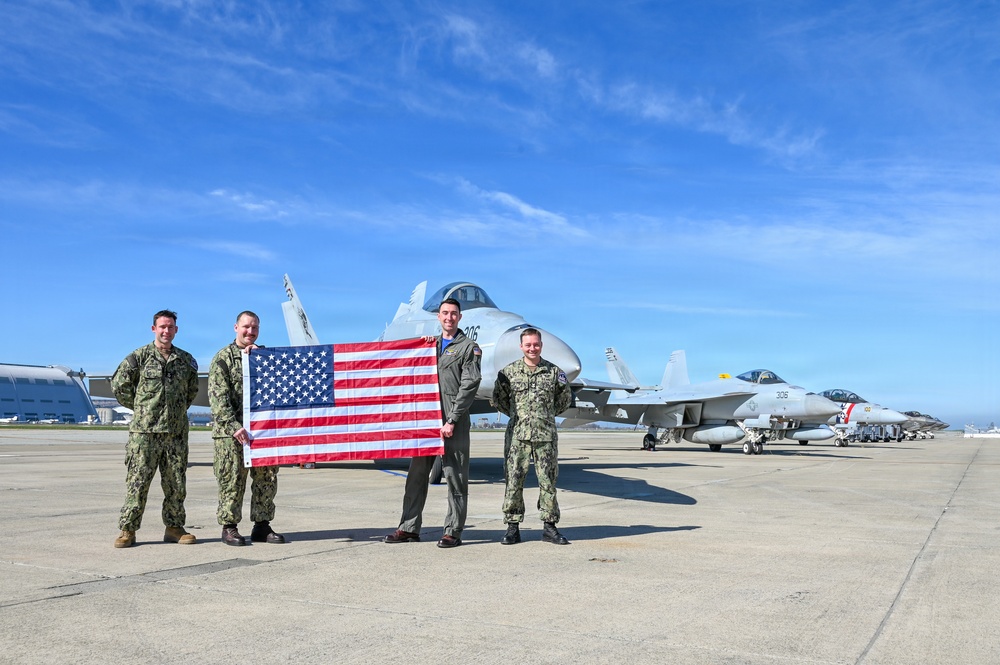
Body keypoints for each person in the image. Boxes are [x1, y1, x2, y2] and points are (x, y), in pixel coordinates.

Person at [384, 297, 482, 548]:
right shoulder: (429, 345)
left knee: (455, 477)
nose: (449, 317)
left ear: (460, 318)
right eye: (445, 313)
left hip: (453, 420)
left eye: (454, 314)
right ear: (438, 317)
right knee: (416, 475)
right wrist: (422, 347)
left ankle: (453, 531)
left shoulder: (469, 347)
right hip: (427, 420)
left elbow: (469, 385)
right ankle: (408, 527)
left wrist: (452, 419)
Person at [112, 310, 200, 548]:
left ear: (176, 330)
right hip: (144, 434)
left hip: (175, 433)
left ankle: (174, 528)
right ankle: (128, 530)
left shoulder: (185, 360)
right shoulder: (138, 358)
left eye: (170, 327)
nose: (166, 331)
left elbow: (191, 391)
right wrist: (142, 409)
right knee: (137, 483)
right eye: (162, 327)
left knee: (175, 484)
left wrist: (174, 410)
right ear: (154, 329)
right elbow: (119, 386)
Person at [208, 311, 285, 546]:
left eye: (254, 328)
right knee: (232, 480)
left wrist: (260, 357)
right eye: (246, 327)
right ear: (235, 327)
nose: (250, 332)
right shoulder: (223, 358)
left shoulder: (263, 356)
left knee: (266, 479)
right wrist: (234, 426)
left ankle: (262, 526)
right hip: (231, 434)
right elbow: (218, 398)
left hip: (261, 432)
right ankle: (229, 527)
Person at [492, 328, 574, 545]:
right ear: (521, 346)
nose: (532, 348)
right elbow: (499, 400)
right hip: (517, 436)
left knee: (548, 482)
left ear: (541, 345)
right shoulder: (507, 373)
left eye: (535, 344)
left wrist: (543, 416)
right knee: (513, 481)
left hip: (545, 436)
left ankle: (550, 527)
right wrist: (519, 418)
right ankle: (512, 527)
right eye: (528, 345)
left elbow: (564, 400)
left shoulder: (555, 373)